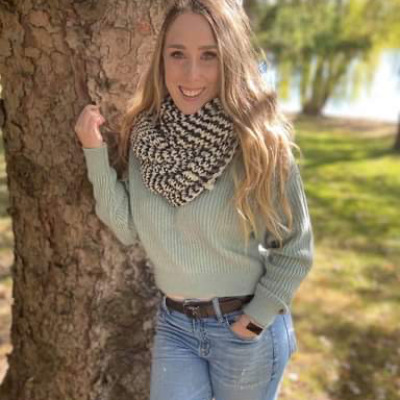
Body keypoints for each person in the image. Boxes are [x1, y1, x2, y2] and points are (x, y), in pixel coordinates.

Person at [74, 1, 314, 399]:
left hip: (244, 328)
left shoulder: (257, 142)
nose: (191, 74)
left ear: (230, 60)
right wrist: (94, 152)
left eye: (209, 56)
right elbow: (128, 228)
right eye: (177, 54)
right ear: (161, 59)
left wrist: (255, 320)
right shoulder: (146, 138)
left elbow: (296, 248)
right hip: (177, 326)